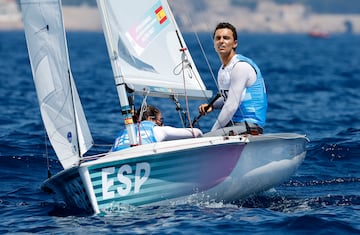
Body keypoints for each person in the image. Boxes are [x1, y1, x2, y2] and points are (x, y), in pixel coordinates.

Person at [199, 22, 267, 135]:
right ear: (214, 44)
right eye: (218, 38)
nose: (221, 41)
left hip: (249, 127)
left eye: (226, 38)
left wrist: (212, 133)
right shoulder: (223, 69)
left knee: (204, 136)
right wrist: (212, 105)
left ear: (235, 43)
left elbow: (231, 106)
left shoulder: (240, 66)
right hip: (234, 126)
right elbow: (230, 97)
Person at [112, 105, 203, 151]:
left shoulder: (122, 133)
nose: (162, 124)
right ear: (150, 119)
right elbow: (197, 132)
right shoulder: (157, 130)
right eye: (161, 120)